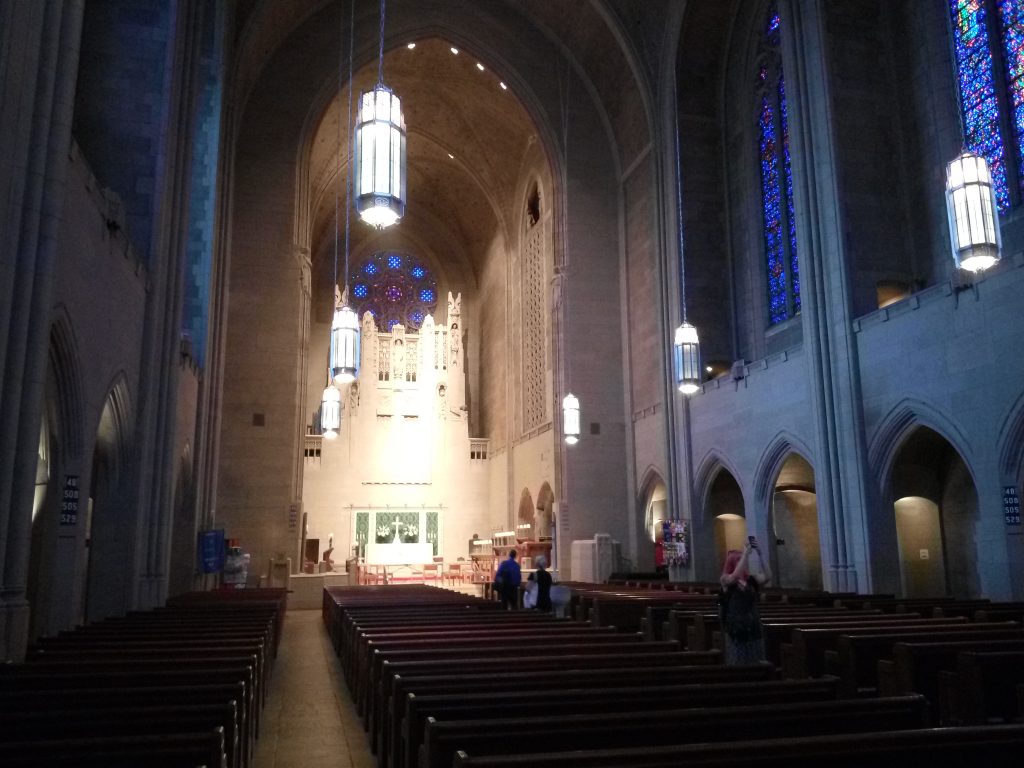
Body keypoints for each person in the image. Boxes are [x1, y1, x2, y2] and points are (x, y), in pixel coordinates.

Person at [719, 536, 771, 665]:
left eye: (741, 559)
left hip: (753, 625)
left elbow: (768, 576)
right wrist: (746, 554)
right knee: (738, 662)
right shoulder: (725, 579)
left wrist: (760, 553)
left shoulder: (751, 580)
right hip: (736, 627)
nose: (742, 562)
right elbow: (735, 577)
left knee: (756, 661)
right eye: (737, 560)